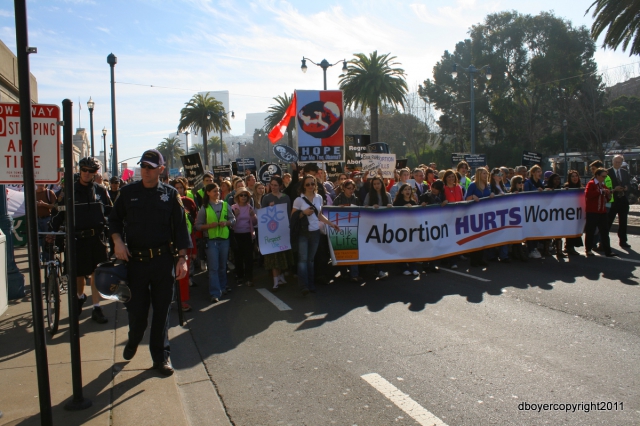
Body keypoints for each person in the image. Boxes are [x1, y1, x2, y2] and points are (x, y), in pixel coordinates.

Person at [110, 149, 191, 376]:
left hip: (163, 261)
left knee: (162, 311)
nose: (146, 171)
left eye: (151, 167)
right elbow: (113, 221)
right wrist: (117, 242)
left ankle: (161, 357)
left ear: (161, 169)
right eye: (143, 166)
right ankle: (134, 338)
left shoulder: (170, 194)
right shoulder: (127, 193)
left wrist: (182, 259)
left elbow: (181, 229)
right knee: (137, 312)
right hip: (135, 262)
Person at [50, 157, 112, 324]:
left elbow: (110, 212)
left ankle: (96, 307)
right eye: (84, 169)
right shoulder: (68, 191)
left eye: (90, 171)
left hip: (97, 238)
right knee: (78, 274)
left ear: (95, 173)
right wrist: (51, 232)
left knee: (96, 274)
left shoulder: (101, 190)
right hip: (77, 238)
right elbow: (58, 213)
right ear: (80, 170)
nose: (86, 173)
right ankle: (79, 297)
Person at [291, 175, 340, 295]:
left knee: (311, 260)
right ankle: (303, 286)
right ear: (303, 186)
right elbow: (293, 217)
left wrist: (331, 224)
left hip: (315, 232)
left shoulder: (318, 198)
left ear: (315, 185)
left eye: (312, 184)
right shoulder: (299, 200)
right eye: (307, 184)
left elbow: (319, 215)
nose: (310, 186)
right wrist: (303, 212)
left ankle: (311, 284)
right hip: (303, 232)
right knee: (302, 260)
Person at [262, 177, 295, 291]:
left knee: (283, 254)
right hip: (272, 231)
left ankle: (280, 276)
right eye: (272, 185)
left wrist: (289, 227)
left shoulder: (286, 198)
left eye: (276, 185)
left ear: (280, 186)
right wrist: (269, 208)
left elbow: (289, 213)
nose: (273, 187)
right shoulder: (266, 198)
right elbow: (263, 216)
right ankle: (275, 281)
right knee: (274, 255)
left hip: (284, 229)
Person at [171, 178, 197, 311]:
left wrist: (194, 248)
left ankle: (183, 301)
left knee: (183, 275)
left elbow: (193, 224)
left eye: (181, 188)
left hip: (185, 243)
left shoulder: (189, 202)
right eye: (176, 188)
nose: (179, 190)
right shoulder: (167, 202)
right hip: (169, 244)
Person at [584, 168, 617, 258]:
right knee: (590, 231)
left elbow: (607, 198)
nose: (604, 178)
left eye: (605, 176)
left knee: (604, 231)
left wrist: (609, 193)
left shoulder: (602, 185)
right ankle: (588, 249)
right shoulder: (591, 184)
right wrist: (601, 192)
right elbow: (588, 194)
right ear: (597, 175)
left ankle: (608, 251)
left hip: (602, 211)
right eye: (603, 176)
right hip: (592, 212)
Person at [465, 167, 494, 267]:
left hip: (485, 214)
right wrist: (472, 197)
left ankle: (481, 258)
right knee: (475, 237)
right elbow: (466, 198)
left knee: (483, 236)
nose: (486, 175)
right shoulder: (473, 185)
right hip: (474, 214)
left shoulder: (487, 185)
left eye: (486, 173)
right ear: (478, 175)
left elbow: (489, 196)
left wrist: (492, 195)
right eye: (484, 173)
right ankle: (474, 259)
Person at [231, 188, 257, 286]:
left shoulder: (250, 207)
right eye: (241, 195)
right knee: (238, 257)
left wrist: (253, 216)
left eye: (245, 195)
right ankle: (240, 276)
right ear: (237, 197)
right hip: (236, 235)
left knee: (248, 257)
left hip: (247, 234)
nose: (243, 197)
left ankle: (249, 277)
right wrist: (235, 216)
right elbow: (230, 223)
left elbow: (254, 223)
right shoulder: (233, 208)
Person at [393, 184, 420, 276]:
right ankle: (404, 267)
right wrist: (404, 207)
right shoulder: (397, 203)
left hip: (411, 229)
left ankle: (413, 267)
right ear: (401, 192)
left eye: (409, 189)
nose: (407, 191)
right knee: (403, 248)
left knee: (412, 249)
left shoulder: (413, 202)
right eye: (405, 189)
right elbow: (394, 214)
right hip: (401, 229)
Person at [608, 155, 631, 248]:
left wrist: (626, 188)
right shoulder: (607, 172)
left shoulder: (624, 172)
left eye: (619, 162)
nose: (617, 164)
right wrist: (614, 189)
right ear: (612, 162)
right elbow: (605, 186)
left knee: (623, 222)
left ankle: (623, 241)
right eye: (616, 162)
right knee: (608, 221)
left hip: (623, 200)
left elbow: (629, 183)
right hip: (613, 200)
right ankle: (603, 241)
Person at [562, 170, 584, 256]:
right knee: (570, 229)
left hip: (578, 212)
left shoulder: (580, 187)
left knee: (576, 229)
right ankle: (569, 247)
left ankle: (570, 246)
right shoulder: (567, 187)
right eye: (572, 176)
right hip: (569, 212)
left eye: (576, 176)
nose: (575, 178)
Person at [36, 183, 57, 262]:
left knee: (47, 240)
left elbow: (55, 206)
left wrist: (44, 204)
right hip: (36, 219)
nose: (41, 185)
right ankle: (37, 260)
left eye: (42, 184)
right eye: (39, 184)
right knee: (37, 240)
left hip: (47, 219)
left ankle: (48, 260)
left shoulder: (49, 193)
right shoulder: (33, 193)